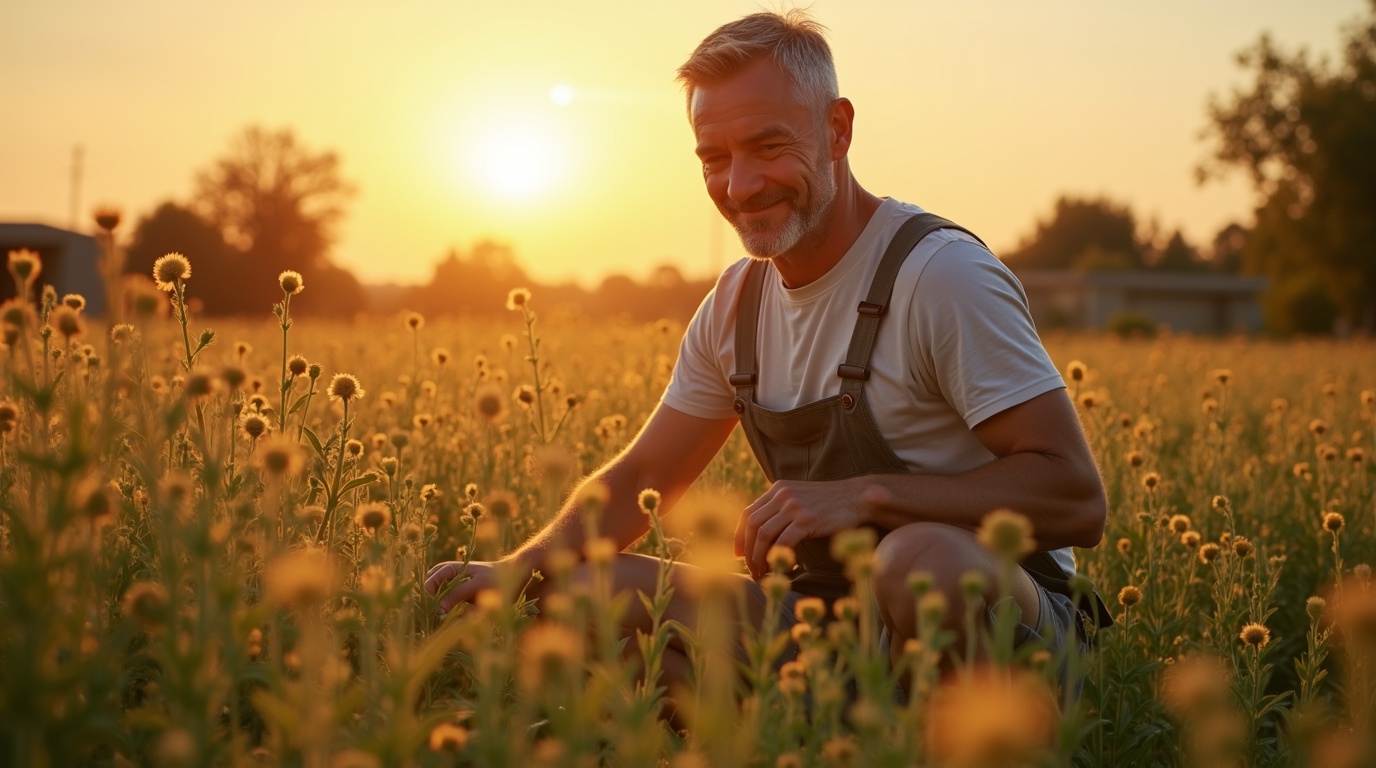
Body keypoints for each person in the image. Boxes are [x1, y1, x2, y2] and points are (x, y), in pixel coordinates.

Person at [425, 9, 1107, 690]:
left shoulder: (939, 276)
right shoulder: (735, 306)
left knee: (916, 559)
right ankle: (795, 730)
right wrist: (514, 569)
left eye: (769, 147)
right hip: (824, 629)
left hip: (1014, 630)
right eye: (714, 158)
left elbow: (1077, 499)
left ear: (836, 130)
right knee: (569, 593)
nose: (740, 185)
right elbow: (639, 481)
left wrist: (868, 497)